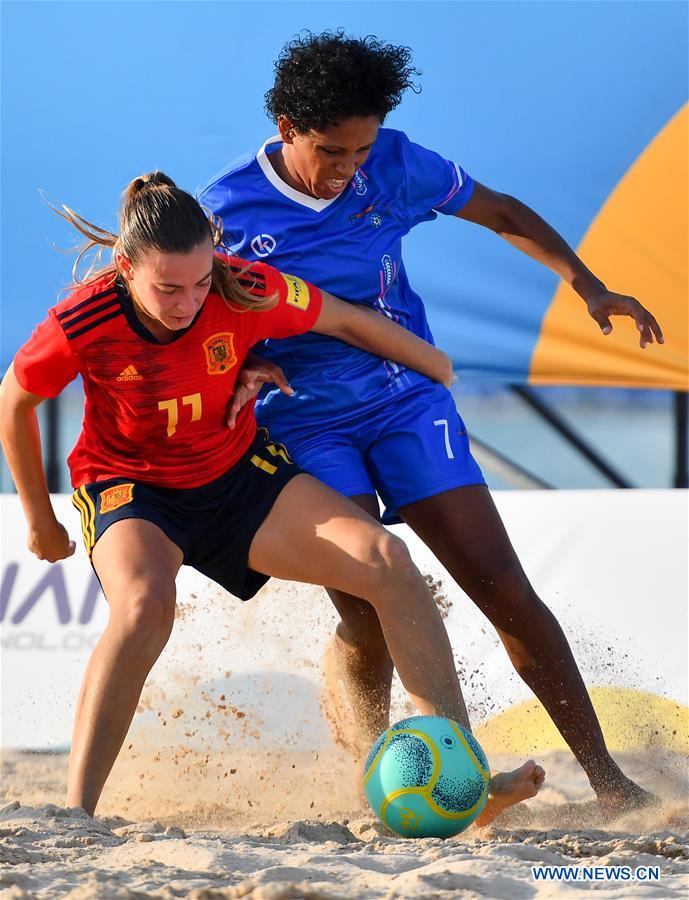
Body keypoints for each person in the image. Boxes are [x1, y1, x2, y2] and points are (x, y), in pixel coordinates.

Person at [199, 31, 663, 817]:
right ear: (284, 126)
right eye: (330, 151)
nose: (349, 168)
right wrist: (238, 369)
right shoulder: (225, 210)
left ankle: (609, 780)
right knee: (368, 607)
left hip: (404, 395)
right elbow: (194, 324)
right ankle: (380, 776)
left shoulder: (397, 162)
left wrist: (588, 286)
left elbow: (503, 212)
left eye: (361, 148)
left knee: (500, 585)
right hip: (303, 418)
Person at [0, 172, 544, 820]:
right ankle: (76, 811)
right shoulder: (85, 317)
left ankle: (462, 783)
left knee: (389, 565)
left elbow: (345, 318)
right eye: (168, 288)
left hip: (236, 474)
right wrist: (38, 518)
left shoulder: (240, 284)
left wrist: (437, 368)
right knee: (144, 607)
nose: (188, 303)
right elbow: (15, 403)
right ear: (125, 266)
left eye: (200, 283)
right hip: (132, 488)